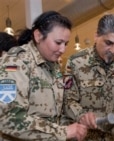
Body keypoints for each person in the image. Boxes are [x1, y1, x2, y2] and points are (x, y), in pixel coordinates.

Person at [0, 11, 87, 141]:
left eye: (66, 43)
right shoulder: (15, 63)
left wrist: (77, 123)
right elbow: (7, 117)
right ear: (38, 35)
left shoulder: (54, 66)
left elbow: (55, 114)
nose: (63, 49)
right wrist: (63, 132)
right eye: (58, 42)